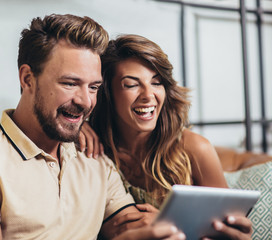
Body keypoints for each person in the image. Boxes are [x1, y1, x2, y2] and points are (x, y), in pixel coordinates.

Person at [0, 14, 186, 240]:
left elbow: (133, 230)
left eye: (94, 87)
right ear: (27, 79)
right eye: (70, 83)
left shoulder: (96, 160)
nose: (86, 101)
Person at [80, 34, 253, 239]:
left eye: (156, 82)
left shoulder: (195, 148)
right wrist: (78, 125)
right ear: (107, 93)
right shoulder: (94, 146)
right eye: (132, 84)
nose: (148, 95)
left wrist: (169, 223)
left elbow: (228, 229)